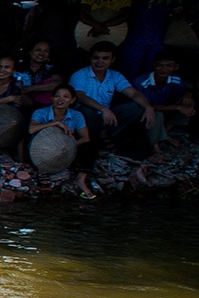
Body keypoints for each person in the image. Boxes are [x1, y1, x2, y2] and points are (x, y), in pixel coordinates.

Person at [69, 41, 154, 183]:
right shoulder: (80, 75)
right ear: (91, 58)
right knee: (88, 112)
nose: (100, 62)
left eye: (105, 58)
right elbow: (80, 97)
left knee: (136, 107)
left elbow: (133, 93)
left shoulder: (115, 76)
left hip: (106, 117)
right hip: (85, 119)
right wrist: (102, 109)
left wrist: (149, 107)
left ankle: (108, 134)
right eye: (96, 57)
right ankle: (95, 140)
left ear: (112, 60)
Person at [30, 84, 95, 195]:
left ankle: (80, 179)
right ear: (52, 98)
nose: (60, 99)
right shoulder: (41, 113)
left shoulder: (77, 115)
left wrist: (69, 145)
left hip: (66, 150)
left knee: (91, 144)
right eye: (57, 96)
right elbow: (31, 130)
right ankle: (41, 170)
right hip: (41, 151)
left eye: (66, 97)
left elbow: (85, 137)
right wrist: (56, 123)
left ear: (72, 100)